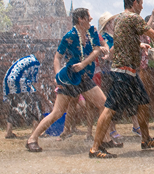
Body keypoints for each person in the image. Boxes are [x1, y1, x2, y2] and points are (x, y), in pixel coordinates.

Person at [90, 0, 154, 159]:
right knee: (109, 109)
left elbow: (124, 41)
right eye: (141, 3)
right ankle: (95, 148)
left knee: (144, 103)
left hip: (129, 72)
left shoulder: (120, 19)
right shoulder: (133, 17)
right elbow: (153, 34)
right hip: (124, 72)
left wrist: (139, 45)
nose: (142, 6)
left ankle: (146, 139)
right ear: (134, 3)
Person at [25, 8, 113, 152]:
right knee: (57, 113)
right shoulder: (69, 36)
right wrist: (57, 75)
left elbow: (97, 50)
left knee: (103, 104)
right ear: (81, 19)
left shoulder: (91, 32)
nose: (91, 19)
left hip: (84, 76)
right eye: (88, 17)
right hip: (70, 77)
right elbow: (57, 57)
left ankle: (105, 139)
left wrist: (88, 61)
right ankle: (32, 139)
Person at [3, 54, 43, 139]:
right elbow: (35, 83)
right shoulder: (35, 62)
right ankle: (35, 131)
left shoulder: (27, 58)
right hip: (19, 81)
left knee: (14, 106)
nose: (43, 57)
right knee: (36, 103)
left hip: (8, 81)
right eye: (43, 54)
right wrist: (43, 97)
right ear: (40, 52)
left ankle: (8, 132)